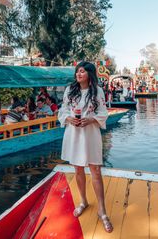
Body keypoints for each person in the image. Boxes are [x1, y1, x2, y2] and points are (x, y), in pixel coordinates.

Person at [58, 61, 113, 233]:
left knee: (95, 170)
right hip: (74, 133)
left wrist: (91, 119)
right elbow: (63, 110)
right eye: (77, 72)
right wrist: (68, 119)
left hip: (90, 134)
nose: (78, 74)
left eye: (82, 71)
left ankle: (102, 210)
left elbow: (103, 112)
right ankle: (83, 201)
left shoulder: (97, 91)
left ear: (89, 73)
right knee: (78, 169)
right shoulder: (70, 90)